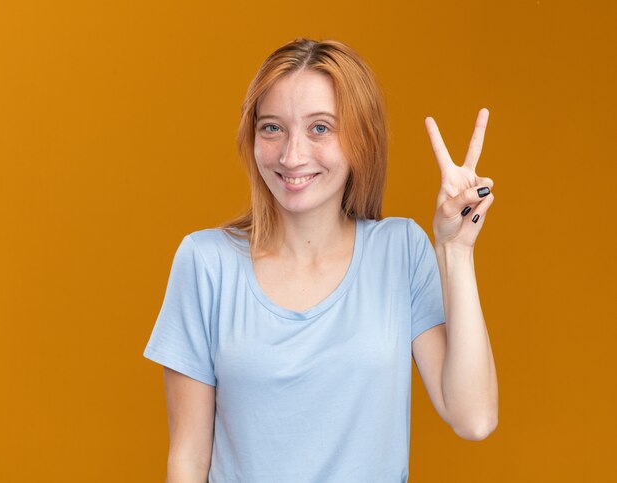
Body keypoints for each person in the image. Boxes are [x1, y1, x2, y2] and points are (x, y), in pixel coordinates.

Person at [143, 37, 498, 482]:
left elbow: (474, 417)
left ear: (360, 139)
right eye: (272, 127)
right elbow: (189, 460)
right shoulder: (205, 262)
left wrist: (456, 249)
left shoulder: (400, 251)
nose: (292, 156)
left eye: (320, 128)